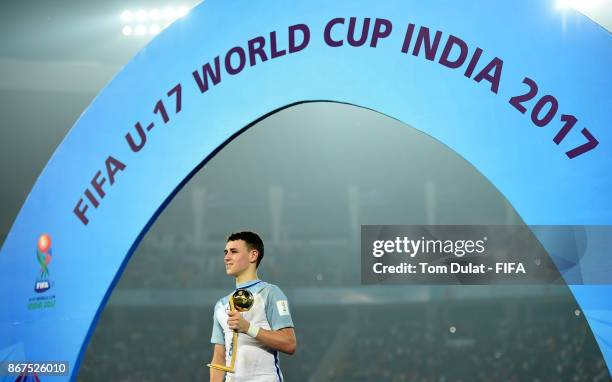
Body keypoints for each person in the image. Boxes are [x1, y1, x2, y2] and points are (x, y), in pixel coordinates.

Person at [209, 231, 297, 382]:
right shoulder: (221, 305)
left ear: (253, 255)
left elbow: (289, 343)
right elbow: (219, 358)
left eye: (234, 251)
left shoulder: (270, 293)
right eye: (226, 252)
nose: (226, 257)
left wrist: (248, 328)